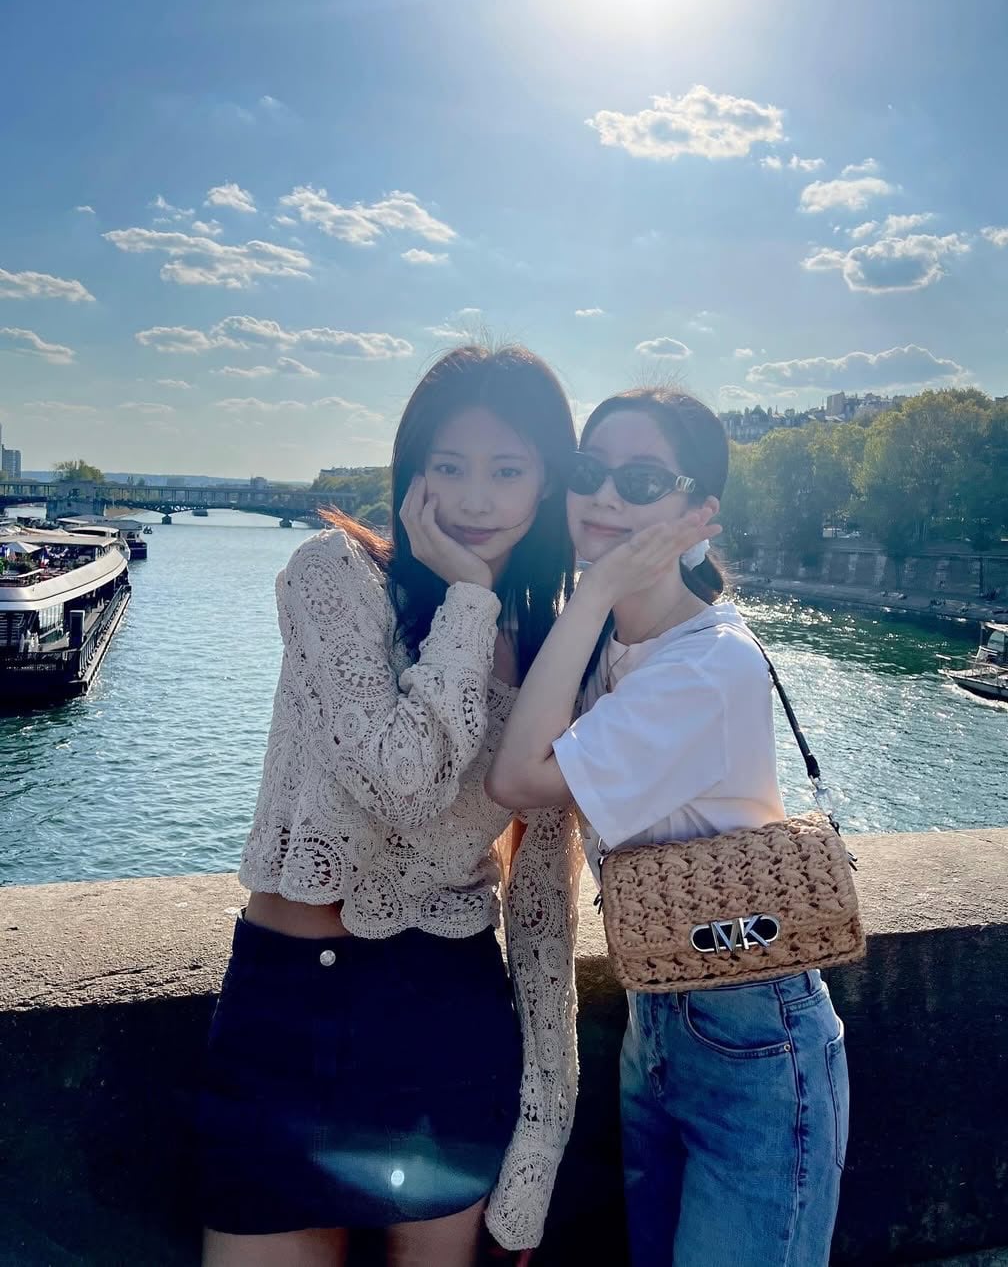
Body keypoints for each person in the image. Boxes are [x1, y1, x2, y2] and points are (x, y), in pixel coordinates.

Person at [199, 343, 582, 1267]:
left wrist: (539, 1144)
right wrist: (470, 602)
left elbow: (541, 912)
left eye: (507, 471)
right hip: (287, 1008)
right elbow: (398, 784)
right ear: (411, 473)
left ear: (546, 483)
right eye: (449, 466)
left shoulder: (555, 654)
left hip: (446, 1011)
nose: (476, 499)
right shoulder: (332, 575)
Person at [488, 387, 849, 1267]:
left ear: (699, 513)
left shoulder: (707, 666)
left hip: (753, 1033)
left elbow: (518, 778)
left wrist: (593, 590)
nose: (606, 496)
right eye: (589, 472)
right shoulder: (615, 646)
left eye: (643, 480)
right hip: (658, 1011)